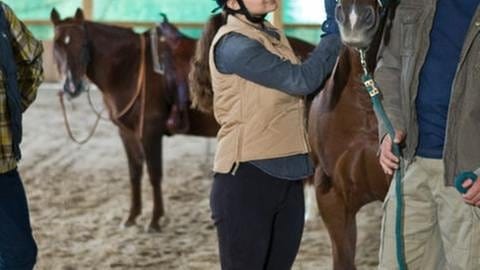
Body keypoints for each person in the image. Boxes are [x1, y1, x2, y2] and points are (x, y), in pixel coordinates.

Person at [189, 0, 341, 269]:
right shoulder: (234, 45)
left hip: (288, 176)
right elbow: (301, 80)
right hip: (247, 180)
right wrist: (334, 33)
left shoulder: (270, 34)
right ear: (234, 3)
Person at [375, 0, 480, 269]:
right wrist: (390, 128)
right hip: (410, 165)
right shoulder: (410, 3)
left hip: (469, 174)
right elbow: (389, 66)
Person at [0, 2, 43, 270]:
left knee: (20, 255)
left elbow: (33, 58)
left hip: (4, 163)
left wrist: (12, 108)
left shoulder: (1, 14)